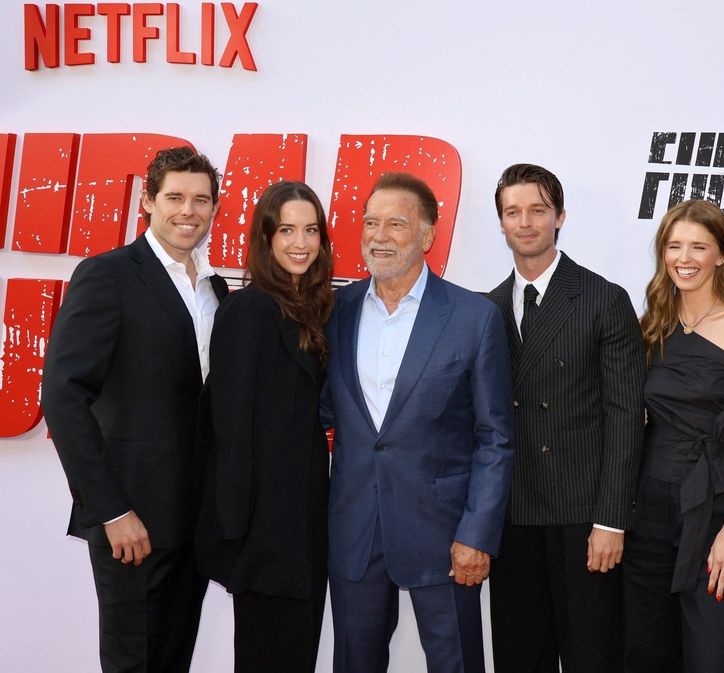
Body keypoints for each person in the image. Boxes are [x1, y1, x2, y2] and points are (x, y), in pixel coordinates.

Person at [319, 171, 515, 673]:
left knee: (456, 663)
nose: (378, 236)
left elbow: (495, 437)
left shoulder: (473, 317)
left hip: (444, 533)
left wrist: (476, 533)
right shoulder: (336, 311)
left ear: (427, 236)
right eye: (370, 223)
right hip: (355, 527)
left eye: (396, 224)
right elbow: (318, 411)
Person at [42, 146, 227, 673]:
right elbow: (63, 395)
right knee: (134, 662)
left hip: (194, 519)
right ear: (147, 201)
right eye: (174, 197)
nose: (188, 211)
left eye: (200, 200)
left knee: (172, 660)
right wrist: (111, 511)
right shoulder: (109, 274)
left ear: (215, 208)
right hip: (132, 522)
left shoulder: (214, 288)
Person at [486, 163, 646, 673]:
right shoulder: (486, 309)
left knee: (591, 657)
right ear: (501, 222)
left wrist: (611, 520)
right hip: (512, 516)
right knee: (518, 657)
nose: (525, 222)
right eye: (513, 212)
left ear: (559, 217)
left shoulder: (603, 299)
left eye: (538, 210)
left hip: (584, 517)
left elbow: (626, 417)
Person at [621, 200, 724, 672]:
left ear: (721, 254)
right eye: (674, 246)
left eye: (698, 247)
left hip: (715, 510)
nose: (684, 258)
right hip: (649, 513)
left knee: (708, 657)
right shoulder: (653, 325)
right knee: (646, 653)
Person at [195, 181, 333, 673]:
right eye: (287, 230)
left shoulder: (312, 309)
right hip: (264, 532)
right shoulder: (248, 310)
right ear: (266, 237)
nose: (301, 242)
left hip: (306, 520)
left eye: (311, 230)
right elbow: (229, 429)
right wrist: (240, 535)